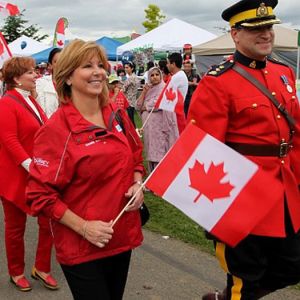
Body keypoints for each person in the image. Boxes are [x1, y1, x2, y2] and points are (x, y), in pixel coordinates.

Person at [187, 1, 300, 299]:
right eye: (255, 29)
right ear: (235, 35)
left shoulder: (283, 73)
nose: (266, 34)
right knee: (246, 278)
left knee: (293, 266)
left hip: (285, 193)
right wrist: (213, 214)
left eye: (268, 27)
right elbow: (201, 152)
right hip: (242, 198)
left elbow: (295, 133)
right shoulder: (217, 82)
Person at [26, 39, 145, 300]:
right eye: (87, 66)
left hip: (120, 237)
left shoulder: (117, 114)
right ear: (67, 76)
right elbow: (39, 195)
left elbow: (136, 156)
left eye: (100, 65)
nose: (99, 72)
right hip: (82, 246)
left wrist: (137, 183)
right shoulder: (56, 131)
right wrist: (84, 227)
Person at [0, 57, 58, 292]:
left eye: (35, 71)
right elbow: (9, 140)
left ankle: (42, 267)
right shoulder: (6, 103)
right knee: (15, 228)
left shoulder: (30, 100)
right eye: (31, 72)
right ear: (16, 78)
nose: (36, 75)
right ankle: (16, 272)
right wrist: (31, 166)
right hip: (15, 177)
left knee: (48, 221)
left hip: (37, 173)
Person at [136, 66, 179, 172]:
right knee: (150, 149)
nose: (154, 77)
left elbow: (157, 104)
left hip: (159, 127)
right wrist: (144, 93)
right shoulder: (148, 89)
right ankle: (152, 177)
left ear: (160, 75)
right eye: (152, 75)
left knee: (159, 151)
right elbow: (137, 106)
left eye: (157, 74)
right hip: (148, 127)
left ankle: (161, 177)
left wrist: (146, 106)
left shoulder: (165, 89)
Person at [35, 48, 62, 117]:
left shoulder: (74, 83)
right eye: (56, 61)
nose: (61, 65)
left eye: (63, 61)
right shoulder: (41, 83)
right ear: (50, 65)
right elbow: (40, 110)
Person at [167, 52, 188, 133]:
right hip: (177, 110)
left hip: (176, 112)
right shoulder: (180, 75)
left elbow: (166, 94)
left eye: (168, 63)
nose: (167, 65)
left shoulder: (177, 77)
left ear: (173, 64)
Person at [123, 61, 140, 127]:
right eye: (125, 67)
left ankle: (134, 134)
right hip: (132, 101)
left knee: (130, 120)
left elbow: (123, 89)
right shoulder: (134, 77)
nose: (125, 69)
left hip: (129, 101)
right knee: (130, 120)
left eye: (127, 67)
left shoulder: (131, 78)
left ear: (132, 68)